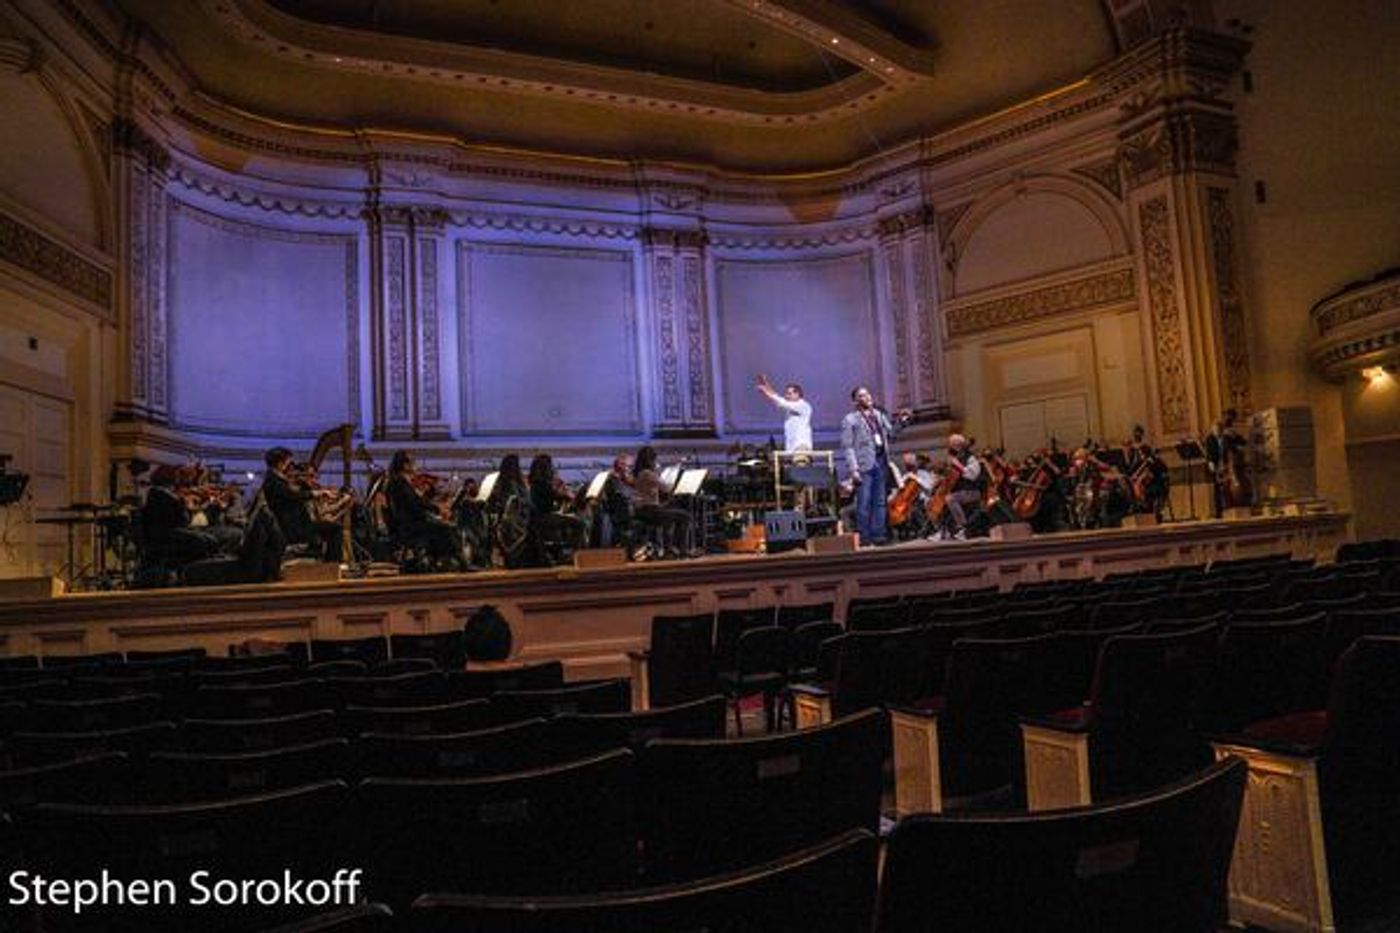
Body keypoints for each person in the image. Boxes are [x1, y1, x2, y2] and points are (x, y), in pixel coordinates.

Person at [839, 385, 911, 546]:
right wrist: (854, 469)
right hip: (864, 465)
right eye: (862, 396)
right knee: (864, 502)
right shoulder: (850, 419)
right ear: (855, 401)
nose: (868, 397)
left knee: (880, 501)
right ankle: (865, 537)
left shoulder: (878, 415)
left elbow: (891, 433)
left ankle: (878, 535)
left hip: (881, 462)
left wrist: (902, 422)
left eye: (868, 394)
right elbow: (848, 446)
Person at [260, 446, 344, 562]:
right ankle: (332, 565)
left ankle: (322, 560)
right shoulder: (273, 481)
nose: (290, 466)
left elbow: (293, 494)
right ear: (280, 463)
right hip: (294, 528)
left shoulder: (274, 479)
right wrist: (318, 493)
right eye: (288, 462)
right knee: (336, 529)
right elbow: (294, 495)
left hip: (296, 524)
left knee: (328, 529)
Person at [386, 450, 465, 571]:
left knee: (442, 526)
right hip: (411, 525)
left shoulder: (400, 481)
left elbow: (417, 503)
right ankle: (460, 562)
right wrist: (436, 511)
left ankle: (439, 562)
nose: (415, 465)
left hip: (410, 522)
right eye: (412, 462)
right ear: (405, 465)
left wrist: (434, 510)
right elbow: (415, 506)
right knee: (448, 528)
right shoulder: (399, 482)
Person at [631, 445, 693, 559]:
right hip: (649, 511)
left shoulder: (640, 472)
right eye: (655, 460)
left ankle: (669, 550)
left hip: (645, 509)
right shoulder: (647, 473)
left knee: (669, 516)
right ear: (650, 460)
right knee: (685, 516)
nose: (656, 462)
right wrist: (671, 474)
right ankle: (682, 550)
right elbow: (667, 488)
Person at [526, 453, 587, 564]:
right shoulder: (542, 483)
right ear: (546, 467)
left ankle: (565, 552)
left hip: (538, 517)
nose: (552, 468)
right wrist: (567, 494)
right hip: (543, 518)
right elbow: (557, 497)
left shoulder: (535, 480)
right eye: (550, 465)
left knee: (570, 520)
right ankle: (572, 555)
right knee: (579, 523)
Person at [938, 434, 985, 540]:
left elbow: (972, 476)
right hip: (960, 491)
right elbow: (953, 477)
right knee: (943, 499)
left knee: (950, 498)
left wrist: (958, 465)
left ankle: (962, 527)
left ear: (957, 445)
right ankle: (943, 530)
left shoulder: (971, 458)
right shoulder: (957, 457)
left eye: (951, 445)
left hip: (972, 491)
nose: (949, 447)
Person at [488, 454, 531, 568]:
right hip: (516, 519)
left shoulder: (501, 482)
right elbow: (523, 500)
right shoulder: (515, 483)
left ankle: (512, 559)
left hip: (511, 518)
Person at [756, 374, 813, 453]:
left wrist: (765, 391)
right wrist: (766, 384)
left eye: (789, 394)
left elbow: (781, 402)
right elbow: (777, 398)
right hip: (791, 446)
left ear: (797, 394)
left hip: (801, 446)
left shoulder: (803, 405)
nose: (787, 396)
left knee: (800, 463)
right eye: (786, 393)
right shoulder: (790, 406)